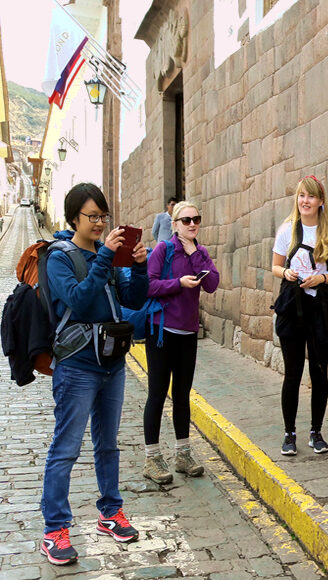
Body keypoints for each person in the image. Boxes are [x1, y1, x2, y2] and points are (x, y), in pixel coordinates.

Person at [40, 183, 149, 565]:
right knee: (66, 449)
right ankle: (54, 529)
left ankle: (110, 513)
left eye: (103, 215)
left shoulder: (108, 254)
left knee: (108, 444)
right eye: (93, 216)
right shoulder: (60, 257)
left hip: (113, 363)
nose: (100, 222)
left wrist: (137, 264)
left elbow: (134, 299)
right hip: (77, 368)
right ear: (74, 218)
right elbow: (81, 300)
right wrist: (105, 256)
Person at [141, 201, 219, 484]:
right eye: (185, 220)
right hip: (161, 331)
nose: (191, 224)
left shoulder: (200, 252)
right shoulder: (163, 250)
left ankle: (182, 454)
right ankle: (152, 458)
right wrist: (178, 284)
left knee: (183, 394)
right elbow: (147, 286)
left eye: (195, 219)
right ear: (174, 224)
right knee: (158, 393)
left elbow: (211, 284)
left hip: (187, 334)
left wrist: (194, 254)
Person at [271, 175, 328, 455]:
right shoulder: (288, 229)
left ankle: (316, 432)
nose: (305, 201)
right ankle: (289, 434)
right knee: (292, 373)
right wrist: (286, 272)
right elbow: (276, 266)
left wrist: (321, 280)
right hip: (292, 309)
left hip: (319, 312)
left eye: (311, 196)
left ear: (320, 202)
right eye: (302, 195)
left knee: (319, 371)